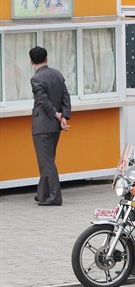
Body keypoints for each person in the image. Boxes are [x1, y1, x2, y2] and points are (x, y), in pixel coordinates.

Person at [29, 46, 71, 206]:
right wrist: (64, 116)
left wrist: (56, 114)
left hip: (43, 125)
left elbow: (42, 100)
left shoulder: (36, 79)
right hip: (54, 126)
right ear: (47, 58)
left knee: (46, 162)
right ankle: (43, 193)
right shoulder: (57, 74)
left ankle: (54, 197)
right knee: (48, 160)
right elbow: (66, 96)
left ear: (31, 61)